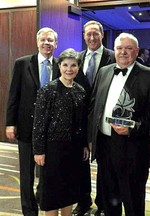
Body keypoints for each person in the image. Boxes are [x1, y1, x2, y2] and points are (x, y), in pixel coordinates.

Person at [89, 32, 150, 216]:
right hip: (105, 146)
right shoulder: (104, 71)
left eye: (128, 48)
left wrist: (133, 128)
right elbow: (95, 105)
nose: (123, 52)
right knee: (109, 198)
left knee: (133, 201)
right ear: (114, 50)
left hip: (132, 149)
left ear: (136, 51)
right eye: (119, 48)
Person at [6, 27, 60, 216]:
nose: (47, 43)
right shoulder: (22, 64)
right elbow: (14, 94)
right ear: (37, 42)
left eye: (50, 40)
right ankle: (29, 210)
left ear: (56, 44)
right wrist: (10, 123)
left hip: (52, 130)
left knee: (47, 171)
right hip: (27, 126)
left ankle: (44, 202)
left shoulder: (62, 65)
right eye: (44, 40)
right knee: (27, 172)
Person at [32, 48, 89, 216]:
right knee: (51, 193)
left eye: (73, 65)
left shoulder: (80, 90)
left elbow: (82, 122)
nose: (69, 69)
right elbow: (39, 123)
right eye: (65, 65)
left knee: (69, 190)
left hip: (74, 150)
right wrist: (39, 150)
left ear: (79, 67)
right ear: (59, 66)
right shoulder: (48, 90)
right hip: (52, 149)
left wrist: (84, 145)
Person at [73, 20, 115, 216]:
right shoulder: (77, 58)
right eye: (88, 34)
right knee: (80, 164)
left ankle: (103, 204)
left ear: (102, 35)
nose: (92, 38)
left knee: (104, 165)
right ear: (84, 36)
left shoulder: (114, 58)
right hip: (80, 121)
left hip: (103, 120)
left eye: (95, 34)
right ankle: (83, 202)